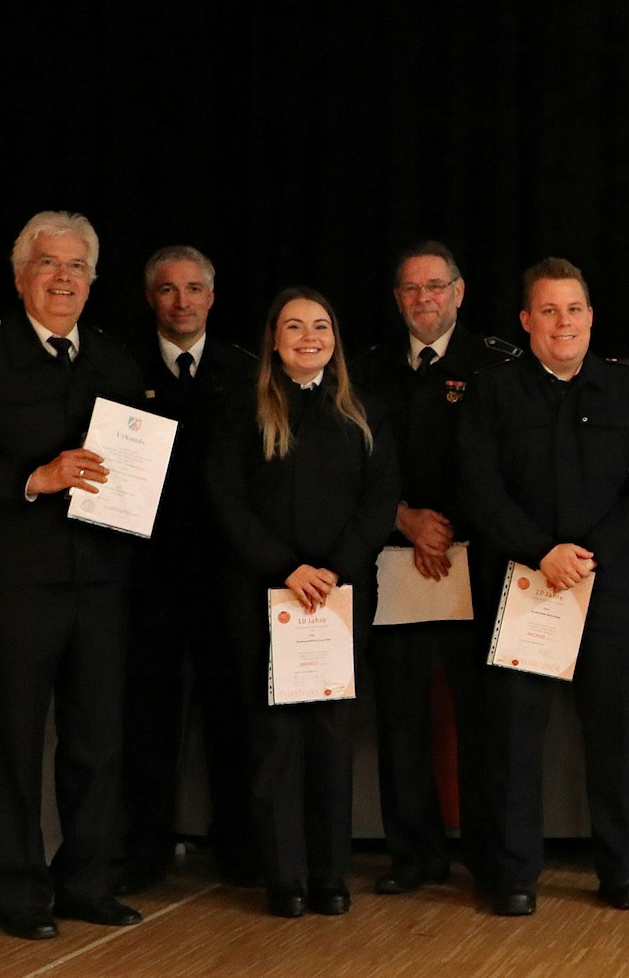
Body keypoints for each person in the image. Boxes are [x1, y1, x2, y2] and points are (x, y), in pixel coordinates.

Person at [459, 257, 629, 916]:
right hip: (524, 583)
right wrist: (540, 552)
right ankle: (514, 875)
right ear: (526, 320)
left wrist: (588, 554)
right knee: (514, 740)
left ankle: (622, 871)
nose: (563, 322)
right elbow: (478, 489)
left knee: (618, 738)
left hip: (608, 590)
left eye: (574, 309)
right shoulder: (492, 392)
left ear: (590, 316)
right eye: (548, 310)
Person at [0, 212, 149, 940]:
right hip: (17, 581)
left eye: (77, 266)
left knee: (97, 739)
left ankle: (86, 880)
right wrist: (34, 478)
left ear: (92, 280)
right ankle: (18, 891)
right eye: (48, 264)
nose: (63, 277)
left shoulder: (115, 361)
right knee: (16, 740)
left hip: (102, 579)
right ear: (21, 276)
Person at [209, 288, 400, 918]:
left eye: (320, 325)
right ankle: (284, 878)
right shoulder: (243, 409)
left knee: (330, 736)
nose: (308, 336)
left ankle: (329, 876)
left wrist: (334, 572)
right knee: (273, 742)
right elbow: (227, 501)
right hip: (264, 596)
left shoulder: (363, 409)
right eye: (294, 326)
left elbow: (379, 502)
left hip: (339, 599)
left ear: (335, 338)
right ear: (273, 338)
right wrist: (286, 569)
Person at [353, 241, 519, 896]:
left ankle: (486, 853)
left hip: (475, 559)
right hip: (395, 561)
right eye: (410, 289)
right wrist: (406, 519)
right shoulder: (367, 369)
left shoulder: (497, 364)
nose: (424, 299)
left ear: (459, 291)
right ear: (398, 300)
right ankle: (412, 853)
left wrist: (450, 527)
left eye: (435, 286)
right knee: (401, 716)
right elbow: (352, 463)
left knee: (483, 717)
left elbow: (508, 463)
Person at [116, 245, 261, 895]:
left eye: (194, 288)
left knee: (232, 716)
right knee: (146, 718)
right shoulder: (121, 366)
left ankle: (240, 847)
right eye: (168, 290)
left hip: (227, 572)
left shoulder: (246, 371)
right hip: (145, 575)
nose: (182, 301)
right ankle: (144, 851)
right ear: (152, 297)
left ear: (212, 295)